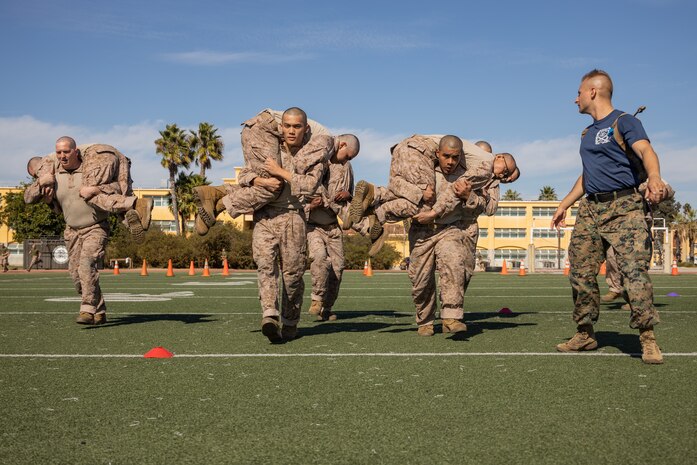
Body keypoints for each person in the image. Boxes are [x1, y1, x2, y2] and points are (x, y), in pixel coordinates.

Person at [551, 69, 667, 364]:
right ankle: (585, 333)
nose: (574, 99)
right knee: (580, 271)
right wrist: (564, 204)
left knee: (633, 272)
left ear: (593, 91)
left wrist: (654, 178)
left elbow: (646, 150)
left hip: (624, 206)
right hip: (591, 209)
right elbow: (587, 176)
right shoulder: (587, 133)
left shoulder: (624, 121)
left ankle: (647, 337)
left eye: (578, 92)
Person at [223, 108, 331, 342]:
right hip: (265, 215)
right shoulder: (269, 148)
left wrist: (279, 172)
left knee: (292, 276)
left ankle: (290, 321)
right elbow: (244, 175)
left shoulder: (313, 154)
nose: (291, 131)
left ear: (306, 129)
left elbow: (310, 185)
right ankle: (269, 315)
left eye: (297, 126)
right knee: (265, 266)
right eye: (287, 126)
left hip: (294, 217)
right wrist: (260, 179)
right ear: (281, 127)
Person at [349, 135, 518, 256]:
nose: (503, 177)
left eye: (508, 178)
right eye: (505, 172)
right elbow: (454, 191)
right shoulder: (485, 166)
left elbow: (396, 182)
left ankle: (374, 195)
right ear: (499, 156)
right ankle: (378, 214)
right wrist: (435, 212)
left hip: (402, 147)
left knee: (413, 193)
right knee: (426, 200)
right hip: (419, 152)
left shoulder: (461, 156)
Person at [193, 108, 334, 235]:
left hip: (256, 127)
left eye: (297, 127)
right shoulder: (325, 143)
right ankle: (219, 205)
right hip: (261, 128)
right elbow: (308, 183)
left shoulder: (308, 140)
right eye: (347, 157)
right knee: (274, 185)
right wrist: (279, 171)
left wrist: (262, 180)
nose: (342, 163)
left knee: (267, 183)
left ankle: (216, 194)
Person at [25, 137, 118, 325]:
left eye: (66, 152)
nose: (62, 156)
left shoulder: (91, 170)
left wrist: (96, 188)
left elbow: (117, 186)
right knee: (77, 276)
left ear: (75, 152)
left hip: (96, 227)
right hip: (72, 230)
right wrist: (42, 183)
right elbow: (27, 198)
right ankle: (99, 309)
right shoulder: (52, 174)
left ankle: (87, 309)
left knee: (86, 265)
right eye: (58, 152)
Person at [405, 136, 487, 335]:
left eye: (455, 157)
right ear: (437, 154)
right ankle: (425, 320)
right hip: (422, 231)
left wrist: (469, 196)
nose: (451, 162)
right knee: (421, 280)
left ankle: (451, 316)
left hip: (449, 228)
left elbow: (483, 206)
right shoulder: (423, 171)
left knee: (453, 261)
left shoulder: (468, 176)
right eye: (446, 156)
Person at [28, 140, 152, 241]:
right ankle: (135, 217)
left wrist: (42, 182)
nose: (36, 177)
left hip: (98, 155)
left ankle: (136, 204)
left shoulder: (43, 163)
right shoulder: (57, 163)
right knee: (120, 193)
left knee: (88, 193)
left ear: (34, 168)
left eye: (34, 175)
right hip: (119, 156)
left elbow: (31, 195)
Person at [305, 135, 360, 321]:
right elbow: (297, 193)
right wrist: (311, 205)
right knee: (319, 257)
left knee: (338, 267)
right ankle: (317, 299)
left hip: (333, 226)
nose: (346, 160)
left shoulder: (346, 168)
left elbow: (350, 199)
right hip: (312, 226)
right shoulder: (316, 160)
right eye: (348, 155)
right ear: (341, 144)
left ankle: (326, 309)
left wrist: (348, 194)